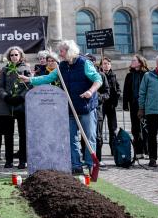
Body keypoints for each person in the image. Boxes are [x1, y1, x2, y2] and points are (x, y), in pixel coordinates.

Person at [21, 40, 102, 175]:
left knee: (89, 137)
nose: (60, 54)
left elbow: (98, 79)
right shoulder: (62, 66)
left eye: (62, 51)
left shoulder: (84, 63)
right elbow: (48, 78)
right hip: (70, 107)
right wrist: (30, 80)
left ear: (69, 51)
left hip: (86, 107)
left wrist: (90, 92)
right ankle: (76, 165)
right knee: (71, 138)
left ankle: (91, 164)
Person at [0, 47, 30, 169]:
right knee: (8, 134)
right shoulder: (5, 70)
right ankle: (9, 160)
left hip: (21, 105)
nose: (14, 57)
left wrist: (21, 97)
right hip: (7, 106)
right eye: (12, 55)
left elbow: (30, 86)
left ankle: (23, 160)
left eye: (16, 55)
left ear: (20, 56)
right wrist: (6, 97)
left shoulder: (25, 69)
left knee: (23, 134)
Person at [123, 54, 150, 160]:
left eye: (134, 60)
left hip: (145, 105)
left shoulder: (146, 74)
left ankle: (147, 151)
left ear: (140, 62)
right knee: (135, 129)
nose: (132, 62)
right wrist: (125, 104)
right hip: (134, 104)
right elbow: (126, 91)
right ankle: (138, 151)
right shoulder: (129, 75)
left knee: (146, 128)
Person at [85, 54, 110, 162]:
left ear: (94, 63)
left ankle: (97, 160)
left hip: (97, 108)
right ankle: (87, 159)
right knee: (85, 136)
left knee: (97, 135)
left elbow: (107, 93)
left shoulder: (101, 75)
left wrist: (97, 97)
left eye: (90, 61)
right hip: (84, 108)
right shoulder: (83, 74)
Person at [100, 57, 120, 157]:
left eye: (108, 63)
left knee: (113, 128)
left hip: (111, 105)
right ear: (101, 65)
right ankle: (99, 150)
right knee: (99, 128)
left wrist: (118, 95)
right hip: (102, 105)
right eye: (104, 63)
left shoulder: (113, 75)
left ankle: (114, 150)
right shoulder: (99, 75)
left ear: (110, 65)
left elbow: (118, 87)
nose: (106, 65)